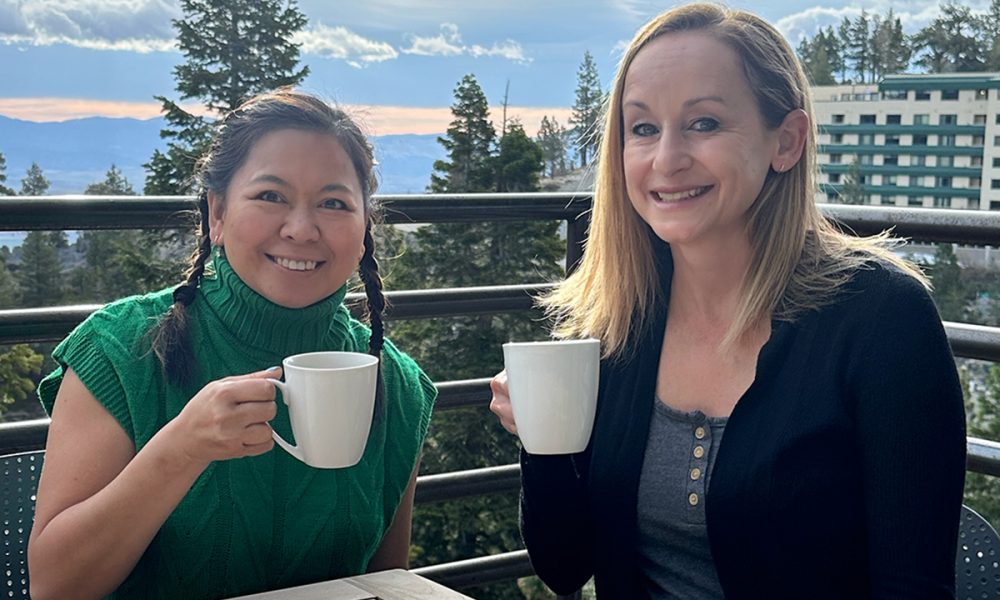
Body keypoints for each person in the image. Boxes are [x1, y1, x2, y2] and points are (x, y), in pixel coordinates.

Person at [489, 4, 966, 598]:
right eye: (642, 129)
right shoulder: (619, 322)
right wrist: (545, 442)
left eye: (704, 123)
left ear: (786, 142)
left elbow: (912, 586)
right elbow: (564, 566)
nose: (666, 159)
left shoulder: (882, 320)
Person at [28, 88, 437, 600]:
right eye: (271, 196)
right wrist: (181, 449)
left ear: (363, 230)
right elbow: (53, 586)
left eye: (333, 204)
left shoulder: (394, 384)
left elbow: (382, 584)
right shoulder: (122, 349)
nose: (301, 228)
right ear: (216, 214)